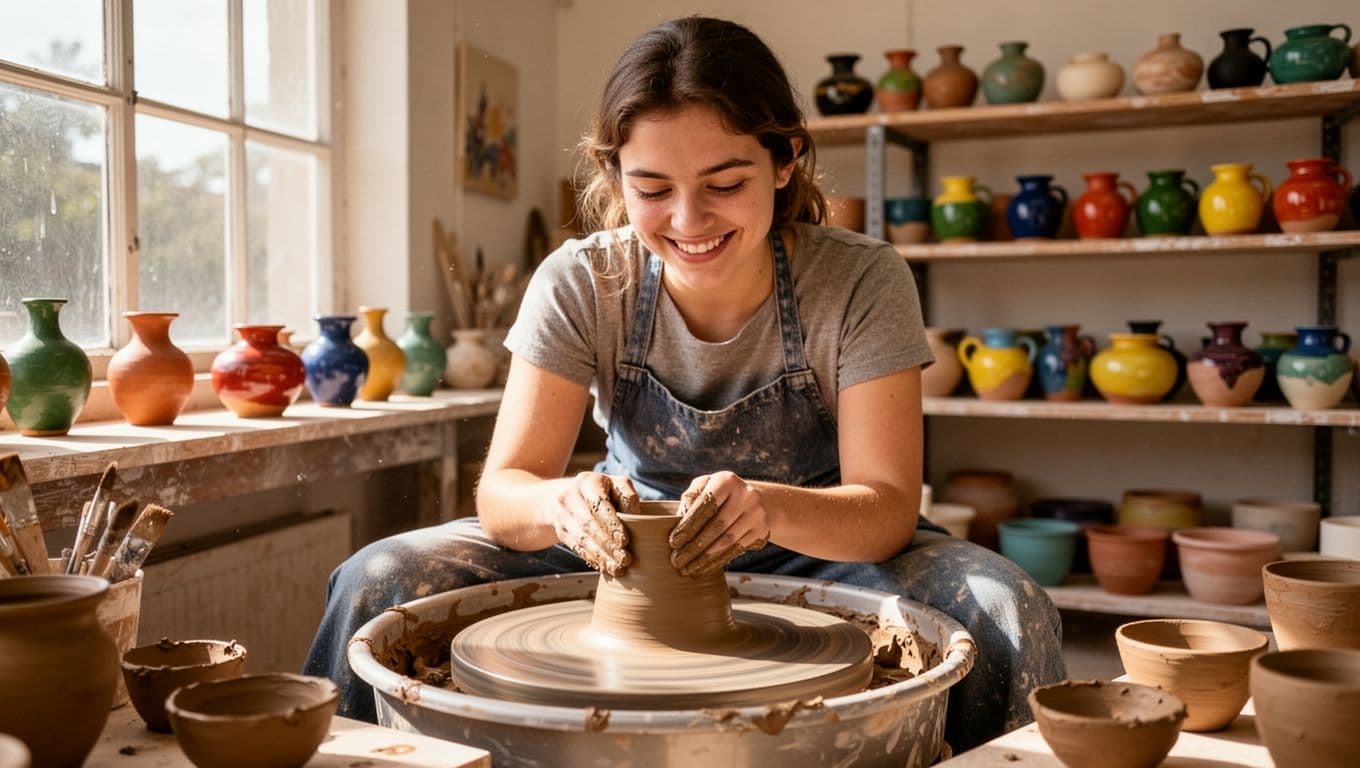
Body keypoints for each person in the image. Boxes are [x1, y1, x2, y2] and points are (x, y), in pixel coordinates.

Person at [303, 15, 1064, 751]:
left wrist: (765, 508)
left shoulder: (861, 278)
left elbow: (888, 508)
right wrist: (560, 504)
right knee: (379, 576)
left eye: (725, 182)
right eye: (653, 187)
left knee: (1004, 604)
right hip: (621, 552)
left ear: (785, 159)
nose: (688, 219)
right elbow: (505, 492)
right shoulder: (582, 281)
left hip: (819, 542)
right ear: (613, 176)